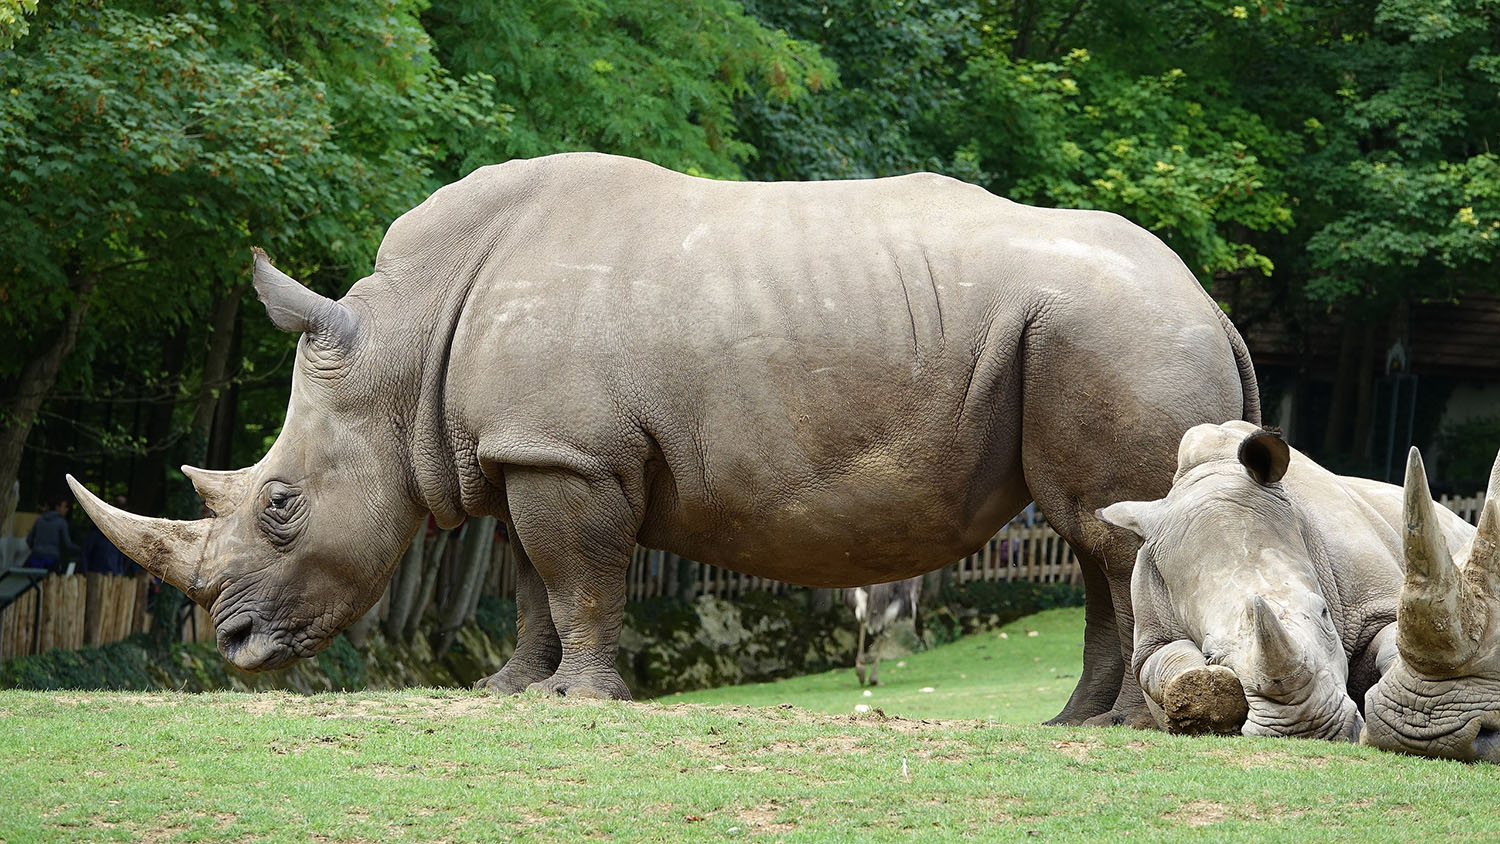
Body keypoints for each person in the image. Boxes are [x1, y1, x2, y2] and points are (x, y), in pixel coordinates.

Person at [25, 496, 79, 573]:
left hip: (35, 557)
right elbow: (68, 544)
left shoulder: (39, 520)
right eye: (65, 507)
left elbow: (29, 540)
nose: (67, 510)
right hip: (52, 559)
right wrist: (80, 550)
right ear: (57, 507)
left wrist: (36, 549)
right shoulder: (61, 522)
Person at [82, 496, 134, 575]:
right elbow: (85, 554)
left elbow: (123, 558)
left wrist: (120, 574)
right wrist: (85, 573)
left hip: (113, 577)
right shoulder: (96, 532)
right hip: (95, 575)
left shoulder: (120, 535)